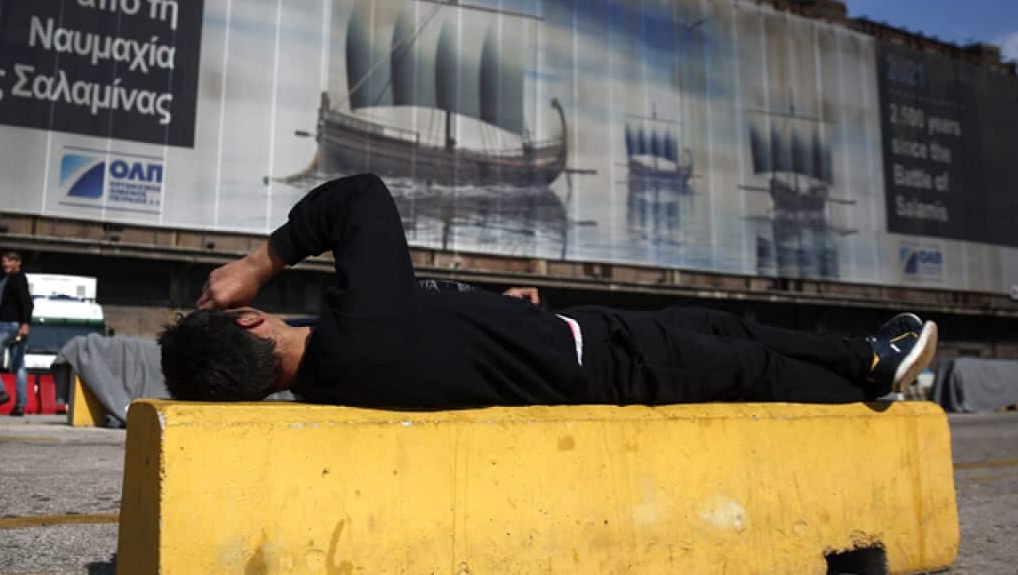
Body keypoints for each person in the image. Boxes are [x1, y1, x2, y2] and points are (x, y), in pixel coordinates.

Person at [159, 174, 938, 409]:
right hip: (609, 364)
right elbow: (360, 196)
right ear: (253, 318)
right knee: (747, 361)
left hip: (569, 338)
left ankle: (867, 363)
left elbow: (438, 345)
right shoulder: (357, 323)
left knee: (723, 326)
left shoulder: (335, 383)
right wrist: (261, 260)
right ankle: (867, 368)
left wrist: (501, 316)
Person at [0, 251, 32, 415]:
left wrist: (25, 323)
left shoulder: (17, 278)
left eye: (8, 262)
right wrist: (24, 324)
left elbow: (27, 302)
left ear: (18, 262)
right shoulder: (15, 279)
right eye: (4, 262)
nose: (5, 265)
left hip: (8, 326)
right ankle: (20, 406)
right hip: (16, 327)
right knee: (18, 366)